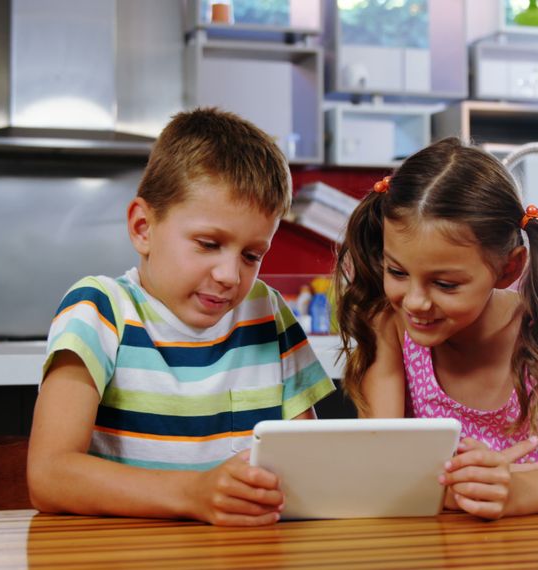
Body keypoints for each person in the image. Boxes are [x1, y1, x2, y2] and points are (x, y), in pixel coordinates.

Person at [28, 108, 335, 526]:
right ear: (142, 227)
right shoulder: (100, 310)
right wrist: (194, 494)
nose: (230, 275)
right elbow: (49, 475)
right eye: (208, 244)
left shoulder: (268, 313)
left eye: (251, 255)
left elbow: (311, 465)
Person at [333, 137, 538, 520]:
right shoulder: (390, 329)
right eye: (397, 272)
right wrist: (474, 491)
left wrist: (515, 491)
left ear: (508, 268)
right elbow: (381, 476)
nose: (415, 301)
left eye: (445, 284)